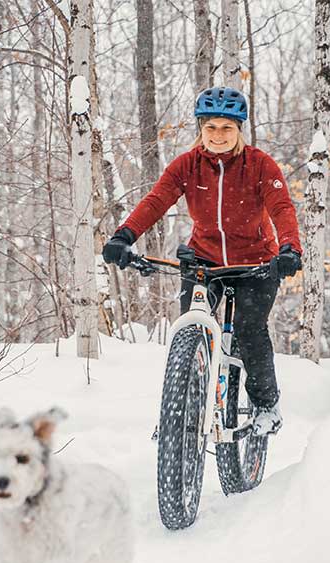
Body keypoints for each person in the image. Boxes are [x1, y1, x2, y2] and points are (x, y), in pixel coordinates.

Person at [102, 86, 303, 436]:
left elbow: (282, 208)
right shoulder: (188, 165)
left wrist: (289, 249)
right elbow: (155, 201)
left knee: (249, 330)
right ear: (200, 129)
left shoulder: (259, 165)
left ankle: (266, 406)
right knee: (191, 328)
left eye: (227, 128)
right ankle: (179, 410)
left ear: (239, 129)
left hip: (256, 264)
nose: (218, 136)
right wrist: (124, 236)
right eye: (211, 128)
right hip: (204, 262)